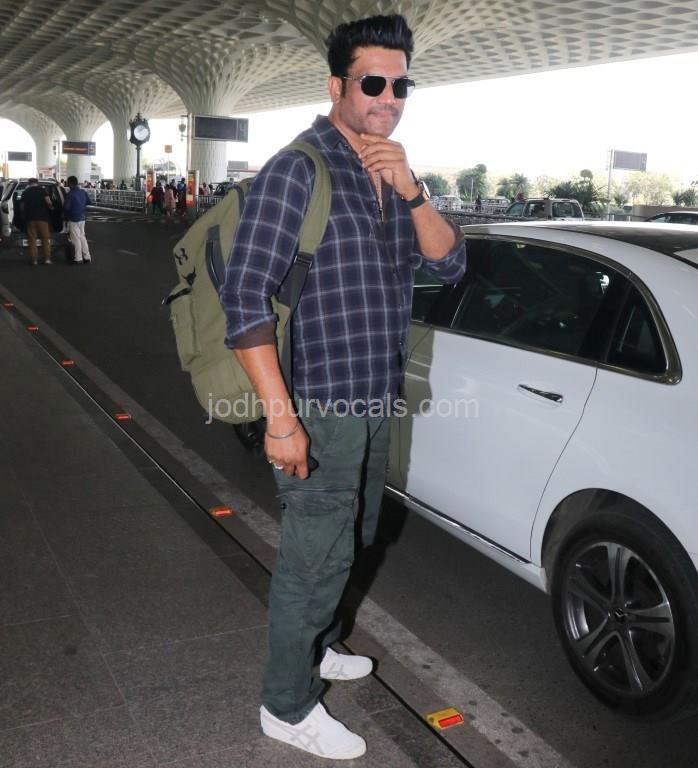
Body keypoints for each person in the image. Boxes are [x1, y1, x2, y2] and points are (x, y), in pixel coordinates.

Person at [222, 14, 466, 761]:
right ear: (337, 86)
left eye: (400, 85)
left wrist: (412, 189)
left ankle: (322, 645)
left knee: (354, 535)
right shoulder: (298, 170)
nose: (388, 97)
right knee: (314, 555)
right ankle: (286, 705)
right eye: (372, 82)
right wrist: (280, 420)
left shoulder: (391, 176)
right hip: (319, 402)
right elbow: (244, 297)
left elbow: (449, 265)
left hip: (372, 398)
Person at [20, 178, 55, 265]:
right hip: (43, 218)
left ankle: (34, 260)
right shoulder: (42, 191)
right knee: (45, 239)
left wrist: (23, 214)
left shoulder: (26, 192)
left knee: (32, 239)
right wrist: (52, 209)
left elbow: (22, 206)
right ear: (37, 183)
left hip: (30, 219)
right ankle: (47, 259)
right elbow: (49, 202)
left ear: (29, 183)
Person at [63, 176, 92, 263]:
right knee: (82, 237)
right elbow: (89, 202)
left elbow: (66, 208)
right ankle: (87, 257)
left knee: (76, 238)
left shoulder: (70, 194)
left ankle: (78, 258)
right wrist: (81, 205)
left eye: (68, 183)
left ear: (70, 183)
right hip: (82, 217)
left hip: (73, 218)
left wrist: (64, 216)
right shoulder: (83, 192)